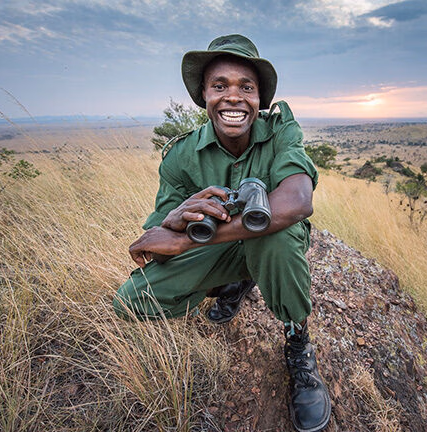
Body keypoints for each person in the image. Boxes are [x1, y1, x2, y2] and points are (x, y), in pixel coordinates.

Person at [112, 34, 331, 432]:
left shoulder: (280, 131)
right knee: (132, 301)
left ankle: (298, 344)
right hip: (225, 251)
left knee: (275, 236)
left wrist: (191, 239)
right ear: (203, 96)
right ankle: (234, 279)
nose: (233, 97)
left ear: (260, 98)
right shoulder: (182, 155)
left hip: (270, 242)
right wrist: (177, 220)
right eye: (220, 86)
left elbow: (298, 200)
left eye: (246, 87)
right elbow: (158, 242)